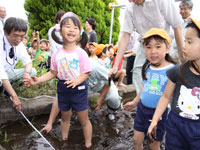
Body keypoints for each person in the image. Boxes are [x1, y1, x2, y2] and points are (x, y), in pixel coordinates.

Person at [28, 12, 92, 148]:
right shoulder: (57, 54)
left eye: (75, 27)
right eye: (68, 26)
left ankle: (88, 143)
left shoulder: (81, 53)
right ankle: (64, 140)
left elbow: (85, 73)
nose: (71, 30)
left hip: (79, 88)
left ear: (79, 33)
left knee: (84, 119)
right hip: (63, 88)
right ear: (60, 31)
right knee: (65, 117)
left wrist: (76, 81)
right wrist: (38, 79)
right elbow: (52, 73)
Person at [110, 0, 184, 94]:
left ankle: (167, 101)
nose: (130, 1)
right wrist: (115, 65)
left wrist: (182, 55)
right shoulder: (130, 7)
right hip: (144, 43)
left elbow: (177, 26)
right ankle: (142, 100)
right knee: (138, 71)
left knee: (168, 72)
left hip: (164, 42)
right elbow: (125, 35)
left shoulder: (162, 1)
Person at [148, 18, 200, 150]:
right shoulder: (178, 71)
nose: (184, 45)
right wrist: (154, 120)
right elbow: (165, 97)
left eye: (189, 41)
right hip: (175, 128)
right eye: (184, 40)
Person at [124, 28, 176, 150]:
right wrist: (134, 102)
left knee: (153, 144)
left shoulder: (172, 70)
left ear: (167, 48)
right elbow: (145, 87)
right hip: (142, 109)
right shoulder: (147, 66)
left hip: (159, 114)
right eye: (148, 47)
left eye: (158, 47)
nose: (153, 51)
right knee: (136, 139)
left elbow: (168, 96)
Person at [0, 17, 36, 87]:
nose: (19, 39)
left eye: (22, 36)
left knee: (32, 71)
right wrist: (14, 97)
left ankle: (10, 89)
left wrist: (26, 73)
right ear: (5, 32)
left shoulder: (20, 45)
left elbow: (28, 61)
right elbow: (2, 75)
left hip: (8, 73)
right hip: (1, 75)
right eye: (15, 36)